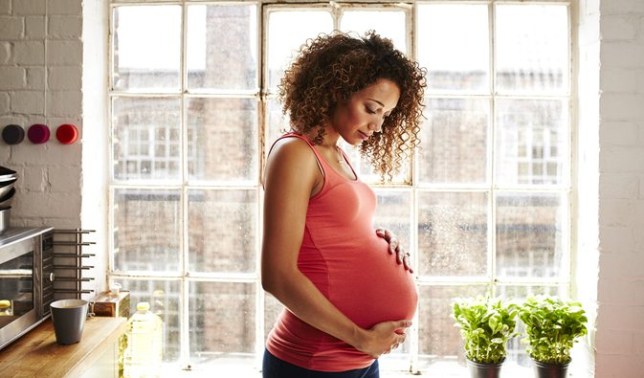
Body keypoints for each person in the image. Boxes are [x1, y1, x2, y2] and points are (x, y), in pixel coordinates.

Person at [261, 30, 427, 378]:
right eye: (372, 109)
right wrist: (362, 338)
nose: (378, 126)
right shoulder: (295, 153)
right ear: (336, 90)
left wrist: (371, 242)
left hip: (360, 360)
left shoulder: (336, 154)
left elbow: (325, 235)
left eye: (386, 115)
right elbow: (277, 276)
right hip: (313, 362)